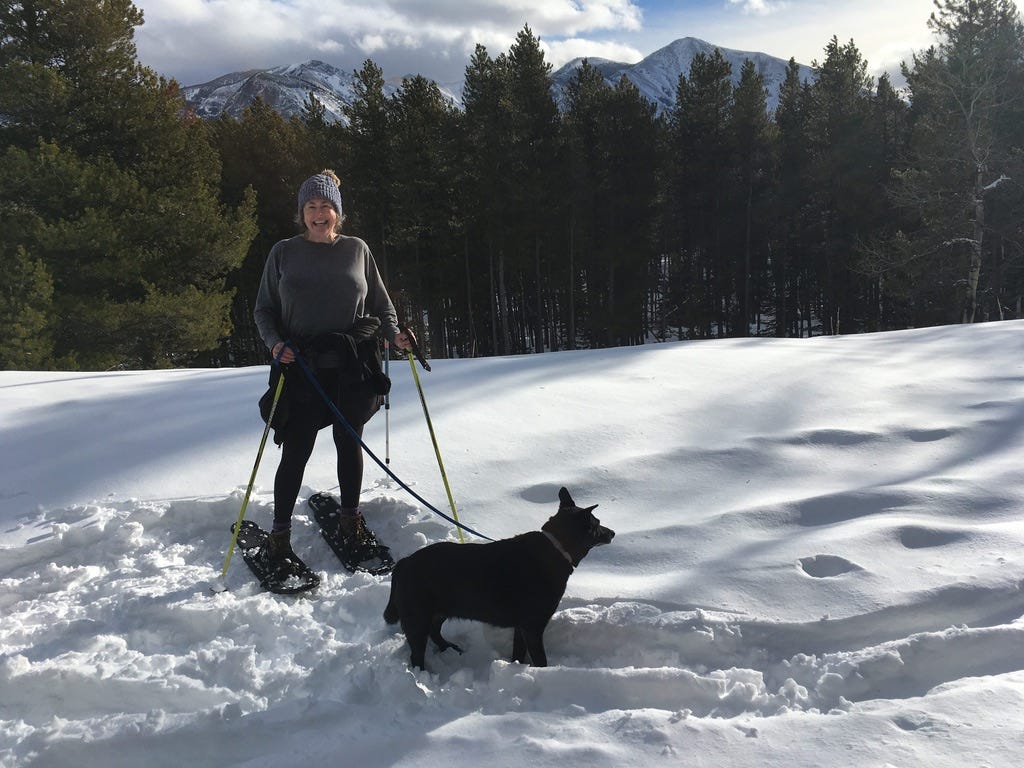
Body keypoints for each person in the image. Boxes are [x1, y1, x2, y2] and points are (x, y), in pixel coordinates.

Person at [254, 169, 413, 578]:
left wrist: (395, 335)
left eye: (326, 206)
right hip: (302, 365)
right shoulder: (283, 253)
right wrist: (275, 344)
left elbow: (381, 303)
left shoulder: (357, 249)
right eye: (311, 206)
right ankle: (279, 534)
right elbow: (264, 310)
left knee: (349, 441)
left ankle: (350, 520)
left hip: (351, 365)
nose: (319, 213)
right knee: (297, 448)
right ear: (302, 213)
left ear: (337, 213)